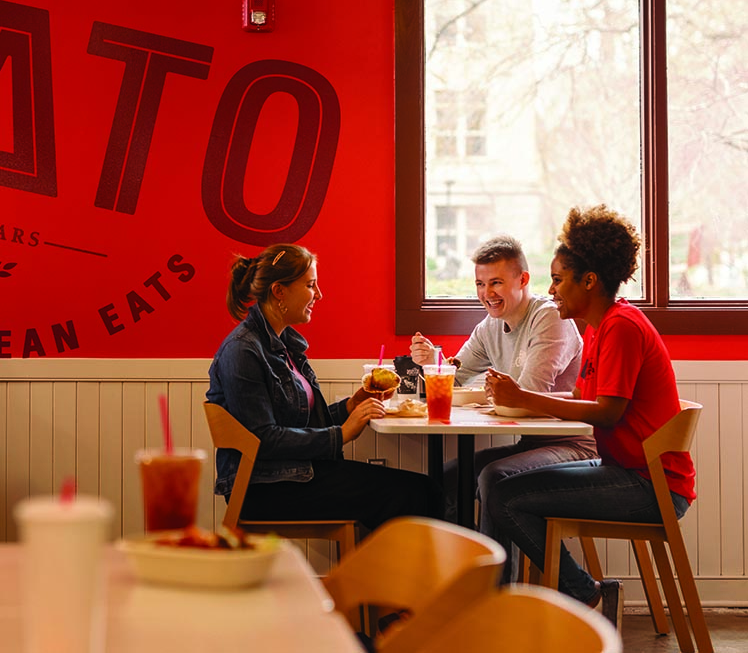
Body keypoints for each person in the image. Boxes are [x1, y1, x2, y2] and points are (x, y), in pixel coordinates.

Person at [483, 205, 695, 626]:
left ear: (589, 281)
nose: (552, 289)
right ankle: (496, 606)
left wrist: (524, 395)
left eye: (559, 279)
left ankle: (580, 594)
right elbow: (581, 399)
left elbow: (607, 413)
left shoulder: (622, 327)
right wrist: (519, 399)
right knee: (494, 478)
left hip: (651, 485)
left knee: (506, 496)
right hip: (624, 468)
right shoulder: (598, 328)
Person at [207, 244, 442, 531]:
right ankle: (387, 575)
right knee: (412, 493)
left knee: (425, 489)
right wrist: (341, 434)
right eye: (310, 285)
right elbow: (263, 439)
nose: (319, 295)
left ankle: (382, 575)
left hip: (290, 476)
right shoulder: (243, 350)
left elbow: (298, 422)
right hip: (263, 489)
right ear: (279, 291)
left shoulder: (284, 346)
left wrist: (350, 406)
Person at [410, 235, 597, 559]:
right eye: (480, 284)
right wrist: (433, 363)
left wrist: (488, 393)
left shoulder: (549, 317)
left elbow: (527, 393)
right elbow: (458, 372)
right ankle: (452, 584)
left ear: (523, 280)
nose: (486, 294)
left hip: (574, 446)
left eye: (496, 282)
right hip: (532, 444)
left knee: (492, 478)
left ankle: (495, 594)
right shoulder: (490, 326)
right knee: (447, 478)